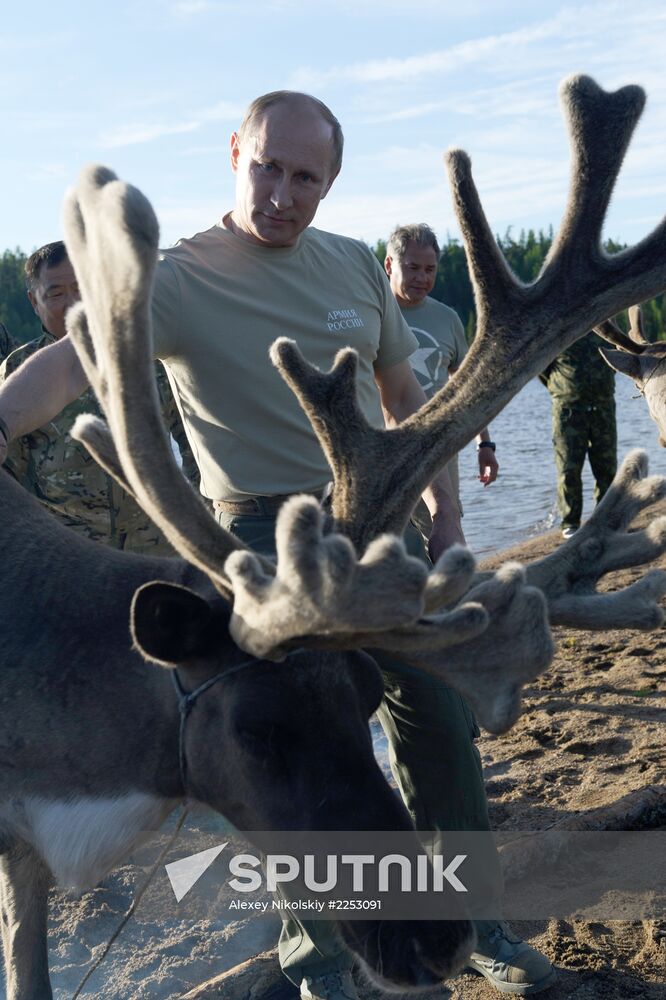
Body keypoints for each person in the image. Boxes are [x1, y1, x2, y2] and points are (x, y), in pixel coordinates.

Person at [0, 93, 555, 999]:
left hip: (376, 536)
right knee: (297, 749)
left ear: (329, 184)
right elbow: (72, 363)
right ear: (234, 154)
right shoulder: (178, 276)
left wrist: (447, 518)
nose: (281, 194)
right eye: (266, 167)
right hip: (253, 550)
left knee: (442, 729)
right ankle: (320, 961)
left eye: (305, 177)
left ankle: (479, 926)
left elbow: (408, 400)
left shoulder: (352, 269)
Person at [0, 241, 198, 552]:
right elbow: (8, 473)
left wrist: (205, 520)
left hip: (156, 546)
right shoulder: (19, 371)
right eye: (56, 294)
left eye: (82, 288)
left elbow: (193, 446)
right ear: (34, 302)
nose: (73, 304)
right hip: (68, 552)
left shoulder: (150, 358)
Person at [384, 223, 499, 539]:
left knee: (444, 528)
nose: (422, 277)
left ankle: (451, 587)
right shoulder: (370, 313)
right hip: (382, 450)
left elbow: (467, 389)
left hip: (438, 449)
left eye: (430, 269)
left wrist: (484, 445)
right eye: (413, 268)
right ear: (390, 265)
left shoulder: (447, 318)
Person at [540, 332, 616, 538]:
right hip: (568, 411)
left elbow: (616, 358)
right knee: (568, 469)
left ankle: (605, 519)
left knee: (607, 469)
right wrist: (565, 389)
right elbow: (543, 368)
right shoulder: (561, 327)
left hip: (603, 408)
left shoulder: (606, 324)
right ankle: (570, 523)